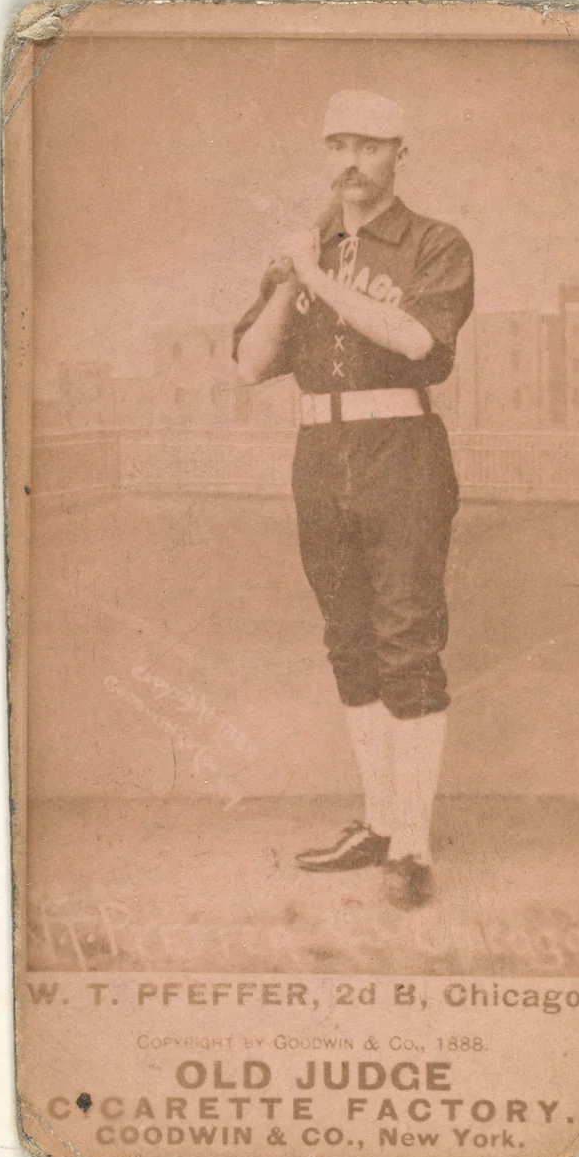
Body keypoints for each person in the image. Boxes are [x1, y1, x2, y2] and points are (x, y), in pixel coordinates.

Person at [232, 90, 474, 909]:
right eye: (336, 142)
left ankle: (412, 844)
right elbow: (250, 365)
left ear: (399, 154)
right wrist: (285, 276)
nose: (349, 161)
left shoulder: (434, 244)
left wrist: (311, 273)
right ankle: (377, 824)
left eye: (367, 145)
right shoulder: (309, 248)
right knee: (349, 641)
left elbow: (415, 341)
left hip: (399, 450)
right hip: (319, 451)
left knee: (406, 639)